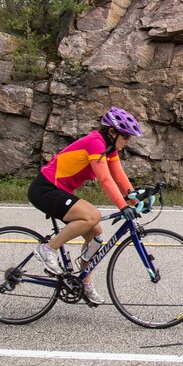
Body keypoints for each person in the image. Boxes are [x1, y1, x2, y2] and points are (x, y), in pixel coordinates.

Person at [26, 107, 143, 305]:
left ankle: (84, 282)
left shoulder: (109, 148)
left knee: (95, 235)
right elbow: (105, 179)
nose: (128, 141)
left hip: (60, 191)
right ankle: (48, 249)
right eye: (125, 136)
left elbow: (118, 175)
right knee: (92, 216)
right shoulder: (95, 143)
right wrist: (123, 206)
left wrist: (135, 200)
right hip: (44, 189)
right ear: (112, 132)